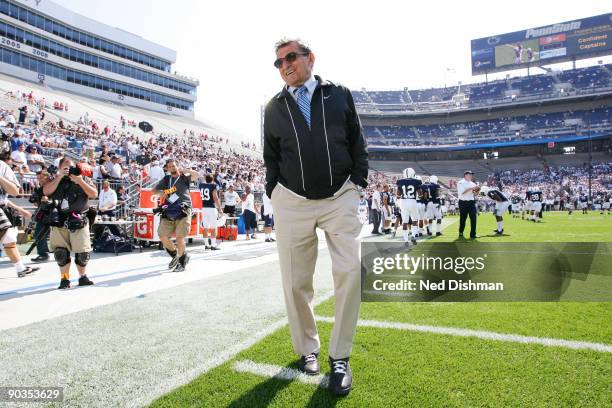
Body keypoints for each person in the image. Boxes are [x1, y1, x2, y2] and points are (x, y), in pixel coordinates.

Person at [263, 38, 368, 396]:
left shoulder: (338, 94)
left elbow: (357, 141)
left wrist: (358, 182)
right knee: (295, 282)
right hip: (292, 200)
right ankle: (308, 349)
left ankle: (340, 356)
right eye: (278, 62)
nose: (285, 65)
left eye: (291, 57)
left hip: (340, 196)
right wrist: (274, 191)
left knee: (351, 272)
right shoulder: (273, 107)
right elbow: (271, 156)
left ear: (310, 58)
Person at [43, 157, 98, 289]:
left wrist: (79, 180)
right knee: (61, 254)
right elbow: (46, 191)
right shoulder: (55, 179)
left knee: (82, 254)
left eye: (71, 167)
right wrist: (59, 177)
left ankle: (82, 277)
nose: (69, 170)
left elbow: (94, 194)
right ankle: (65, 279)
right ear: (60, 168)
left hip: (79, 220)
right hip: (59, 222)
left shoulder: (83, 178)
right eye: (65, 168)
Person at [151, 159, 198, 272]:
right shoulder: (167, 179)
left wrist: (184, 169)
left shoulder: (183, 177)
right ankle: (177, 256)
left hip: (184, 209)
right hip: (170, 209)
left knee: (180, 237)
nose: (172, 167)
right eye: (170, 166)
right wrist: (162, 193)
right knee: (162, 235)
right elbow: (153, 190)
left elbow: (196, 175)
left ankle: (181, 263)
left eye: (174, 165)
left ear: (177, 166)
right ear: (167, 168)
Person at [0, 148, 39, 277]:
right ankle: (20, 268)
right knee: (8, 238)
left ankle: (20, 268)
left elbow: (14, 192)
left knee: (9, 238)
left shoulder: (2, 166)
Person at [29, 170, 52, 262]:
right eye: (38, 178)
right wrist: (37, 201)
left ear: (47, 177)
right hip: (43, 214)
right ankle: (43, 254)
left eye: (41, 178)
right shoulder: (39, 188)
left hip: (55, 213)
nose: (39, 180)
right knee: (39, 233)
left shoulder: (55, 185)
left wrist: (49, 200)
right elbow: (34, 201)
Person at [397, 168, 421, 244]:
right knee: (414, 220)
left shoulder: (400, 182)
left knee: (405, 222)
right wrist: (419, 195)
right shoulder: (416, 181)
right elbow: (420, 194)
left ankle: (406, 240)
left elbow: (398, 194)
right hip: (412, 201)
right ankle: (413, 236)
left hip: (403, 202)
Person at [198, 174, 223, 250]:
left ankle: (206, 245)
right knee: (213, 227)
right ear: (212, 180)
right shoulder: (213, 186)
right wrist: (220, 208)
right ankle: (213, 245)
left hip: (204, 208)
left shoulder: (201, 185)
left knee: (205, 227)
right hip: (211, 208)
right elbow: (215, 197)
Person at [457, 170, 480, 238]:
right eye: (470, 175)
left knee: (473, 218)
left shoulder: (472, 183)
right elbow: (462, 192)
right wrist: (472, 188)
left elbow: (475, 194)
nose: (471, 176)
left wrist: (478, 190)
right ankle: (461, 231)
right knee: (463, 219)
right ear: (465, 175)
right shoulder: (460, 182)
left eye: (471, 175)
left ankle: (473, 234)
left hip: (471, 202)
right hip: (463, 202)